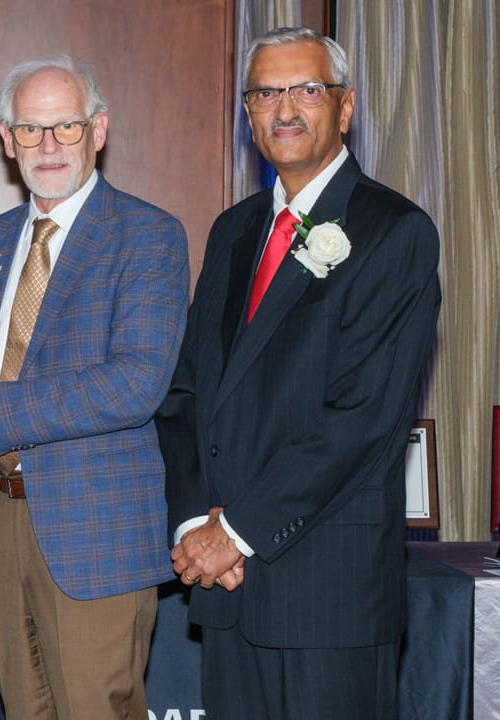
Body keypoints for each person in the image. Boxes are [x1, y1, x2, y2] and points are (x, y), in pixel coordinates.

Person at [0, 55, 189, 719]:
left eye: (66, 128)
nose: (48, 146)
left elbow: (134, 383)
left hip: (94, 530)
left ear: (100, 130)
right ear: (6, 139)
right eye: (30, 130)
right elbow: (14, 373)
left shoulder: (147, 235)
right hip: (0, 518)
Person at [156, 27, 441, 718]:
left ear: (343, 109)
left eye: (306, 89)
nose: (285, 108)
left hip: (326, 598)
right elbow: (187, 393)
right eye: (264, 93)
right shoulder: (232, 231)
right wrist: (196, 522)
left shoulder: (393, 231)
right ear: (248, 117)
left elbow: (364, 420)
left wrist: (235, 533)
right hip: (228, 591)